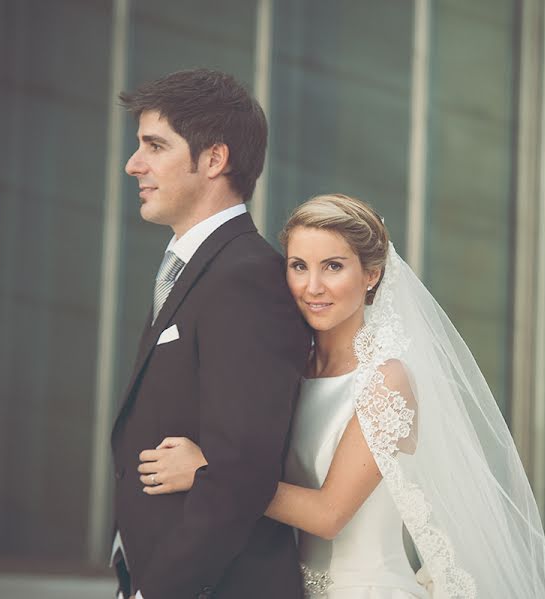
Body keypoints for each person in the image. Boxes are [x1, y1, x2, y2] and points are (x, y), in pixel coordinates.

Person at [138, 194, 545, 598]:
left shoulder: (386, 381)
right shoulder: (287, 371)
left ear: (371, 275)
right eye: (298, 266)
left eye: (333, 267)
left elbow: (328, 515)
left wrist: (207, 473)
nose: (312, 286)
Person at [109, 69, 311, 599]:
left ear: (214, 159)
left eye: (155, 146)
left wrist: (160, 591)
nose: (134, 165)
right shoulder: (194, 266)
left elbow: (238, 470)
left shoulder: (246, 277)